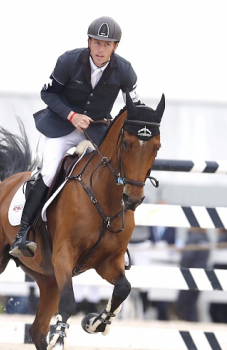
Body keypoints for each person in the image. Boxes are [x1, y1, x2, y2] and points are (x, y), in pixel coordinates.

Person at [9, 16, 140, 258]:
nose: (101, 49)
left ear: (116, 47)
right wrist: (72, 116)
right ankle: (23, 233)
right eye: (97, 43)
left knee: (113, 171)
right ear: (89, 42)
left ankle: (117, 237)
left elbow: (135, 105)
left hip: (97, 130)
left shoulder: (125, 70)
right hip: (61, 127)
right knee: (48, 172)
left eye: (107, 44)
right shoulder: (68, 61)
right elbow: (47, 94)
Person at [175, 228, 211, 322]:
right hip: (201, 274)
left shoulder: (194, 237)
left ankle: (189, 326)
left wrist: (183, 271)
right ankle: (193, 327)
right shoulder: (206, 238)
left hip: (191, 275)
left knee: (181, 303)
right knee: (191, 303)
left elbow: (188, 257)